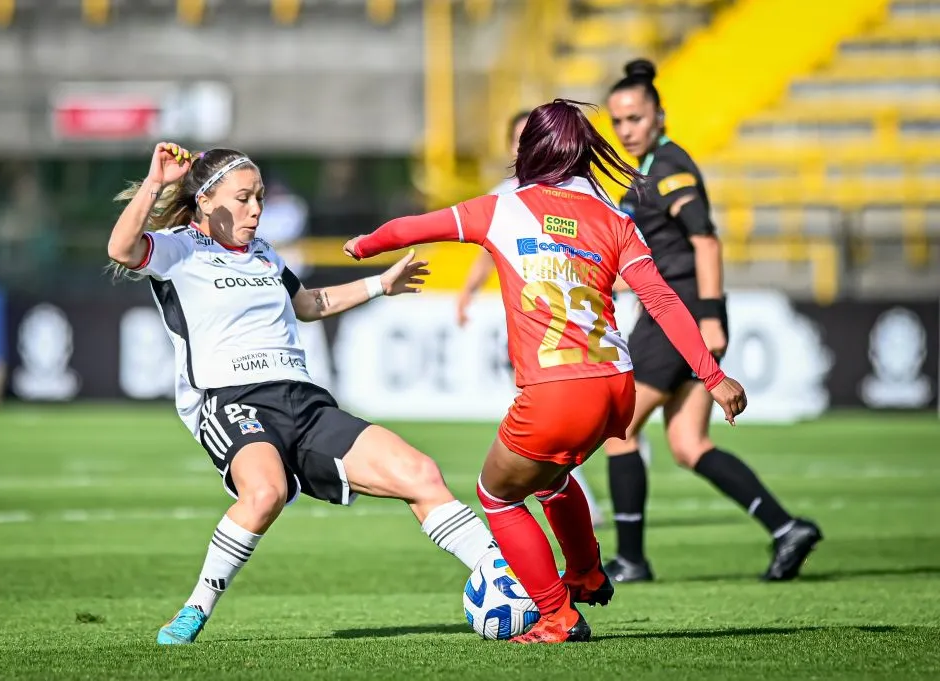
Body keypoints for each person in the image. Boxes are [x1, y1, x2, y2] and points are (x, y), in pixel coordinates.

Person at [344, 100, 748, 644]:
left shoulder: (504, 208)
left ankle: (556, 615)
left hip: (558, 391)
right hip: (616, 388)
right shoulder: (615, 219)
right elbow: (662, 299)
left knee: (498, 494)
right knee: (551, 477)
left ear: (529, 151)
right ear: (585, 153)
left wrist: (364, 245)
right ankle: (585, 571)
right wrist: (712, 375)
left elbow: (415, 226)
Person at [107, 143, 498, 645]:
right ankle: (194, 609)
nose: (255, 209)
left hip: (303, 401)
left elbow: (309, 304)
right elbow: (122, 249)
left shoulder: (265, 253)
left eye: (260, 197)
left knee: (421, 473)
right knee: (264, 493)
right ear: (205, 201)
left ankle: (503, 577)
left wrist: (381, 284)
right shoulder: (178, 249)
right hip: (231, 401)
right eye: (243, 197)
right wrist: (156, 183)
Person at [601, 59, 822, 583]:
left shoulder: (669, 168)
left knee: (619, 429)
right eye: (619, 122)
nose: (627, 129)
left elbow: (705, 242)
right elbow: (664, 253)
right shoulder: (645, 171)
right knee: (688, 445)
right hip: (675, 311)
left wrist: (711, 317)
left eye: (635, 118)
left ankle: (631, 558)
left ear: (659, 115)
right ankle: (786, 528)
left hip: (675, 317)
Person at [455, 110, 607, 529]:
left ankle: (606, 482)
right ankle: (582, 501)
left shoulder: (575, 190)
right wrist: (468, 291)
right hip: (534, 326)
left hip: (582, 319)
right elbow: (486, 247)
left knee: (569, 417)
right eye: (521, 138)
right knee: (552, 421)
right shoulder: (506, 194)